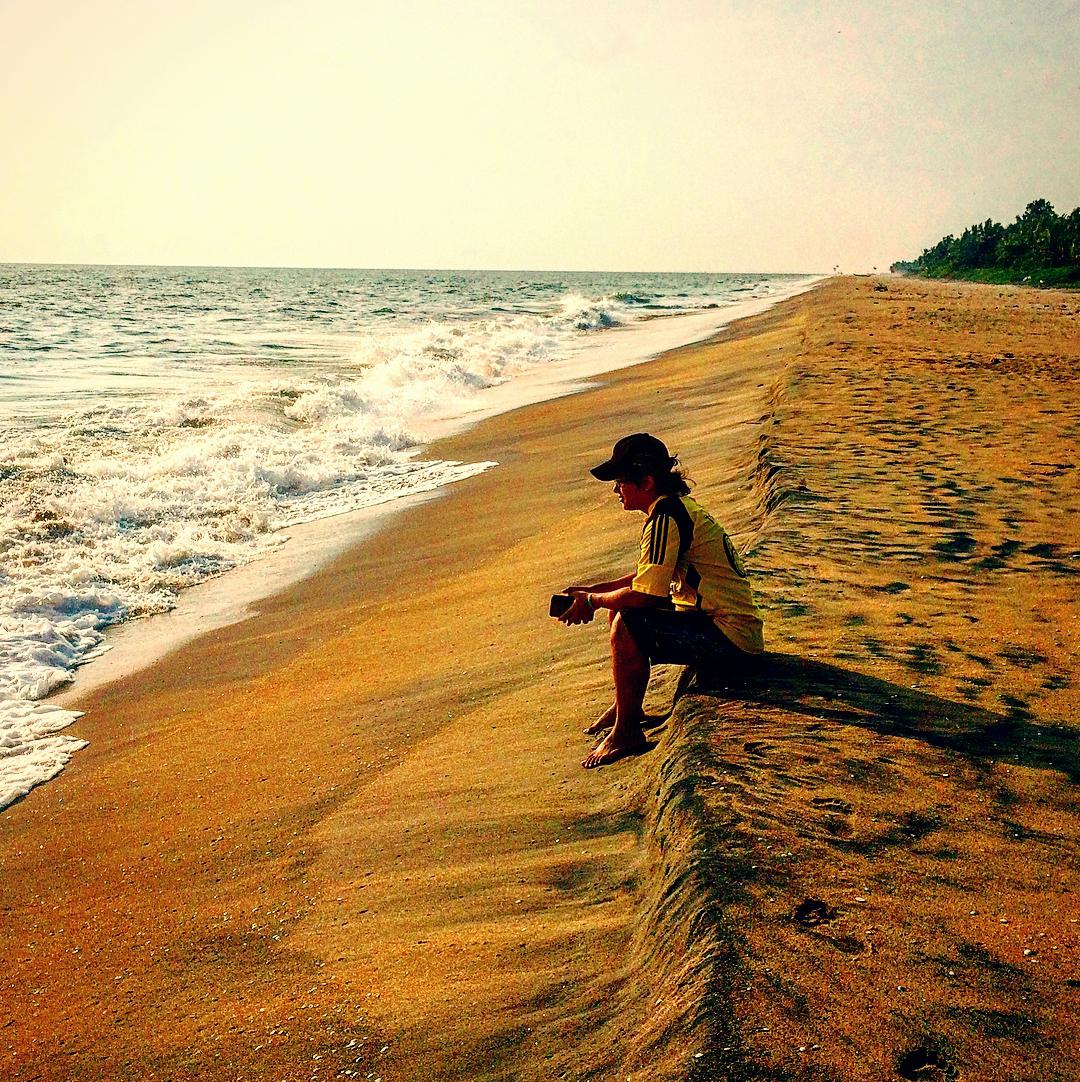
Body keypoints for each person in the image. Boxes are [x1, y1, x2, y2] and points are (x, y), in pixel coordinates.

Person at [559, 433, 764, 768]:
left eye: (621, 482)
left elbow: (645, 594)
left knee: (627, 620)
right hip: (730, 628)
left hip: (731, 640)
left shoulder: (665, 518)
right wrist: (589, 591)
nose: (616, 490)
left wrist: (594, 602)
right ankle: (628, 708)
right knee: (623, 609)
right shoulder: (674, 509)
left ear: (646, 482)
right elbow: (646, 579)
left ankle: (626, 732)